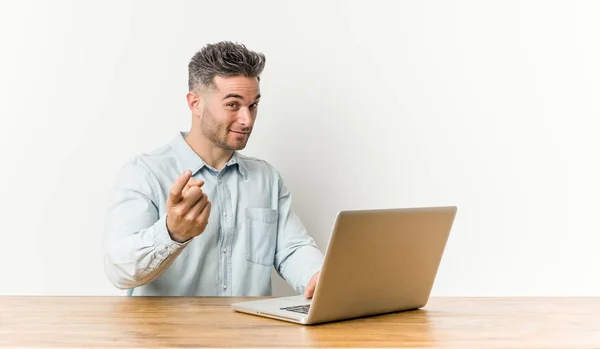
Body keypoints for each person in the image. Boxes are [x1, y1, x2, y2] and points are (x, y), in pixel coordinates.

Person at [103, 41, 324, 297]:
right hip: (167, 336)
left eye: (253, 105)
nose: (247, 120)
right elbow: (119, 271)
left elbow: (292, 249)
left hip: (248, 334)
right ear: (195, 103)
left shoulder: (266, 179)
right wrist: (172, 233)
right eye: (233, 104)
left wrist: (318, 277)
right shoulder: (145, 174)